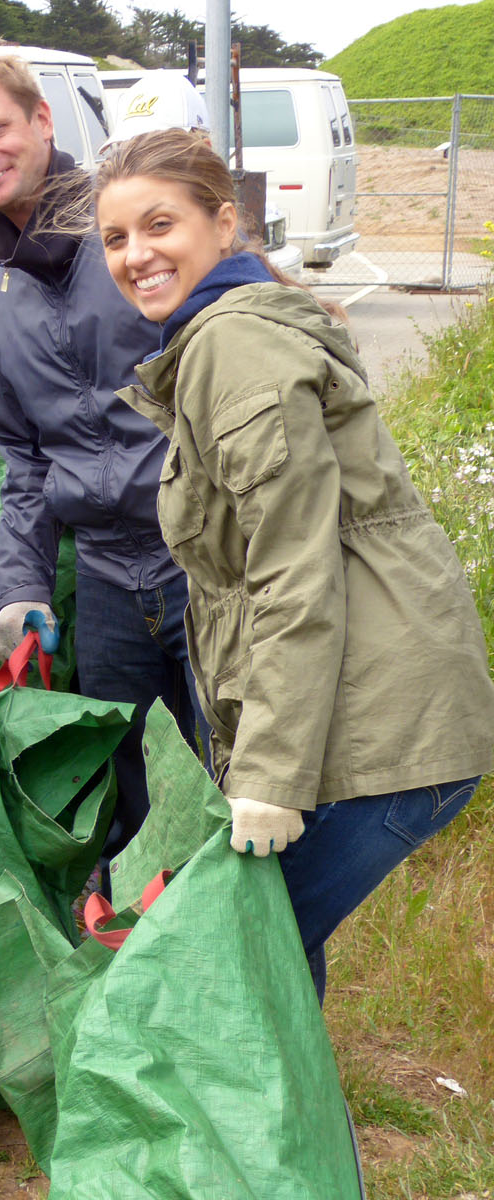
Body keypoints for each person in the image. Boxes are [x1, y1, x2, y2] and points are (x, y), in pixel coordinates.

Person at [93, 126, 494, 1000]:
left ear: (222, 223)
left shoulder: (233, 346)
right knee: (270, 968)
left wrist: (270, 778)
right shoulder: (218, 337)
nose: (135, 255)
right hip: (353, 715)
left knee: (229, 964)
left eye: (159, 225)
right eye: (115, 237)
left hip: (383, 733)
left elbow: (292, 570)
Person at [0, 50, 200, 857]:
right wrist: (21, 589)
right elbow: (27, 466)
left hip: (201, 562)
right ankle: (149, 935)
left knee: (229, 783)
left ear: (43, 120)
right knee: (137, 794)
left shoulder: (139, 241)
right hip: (109, 582)